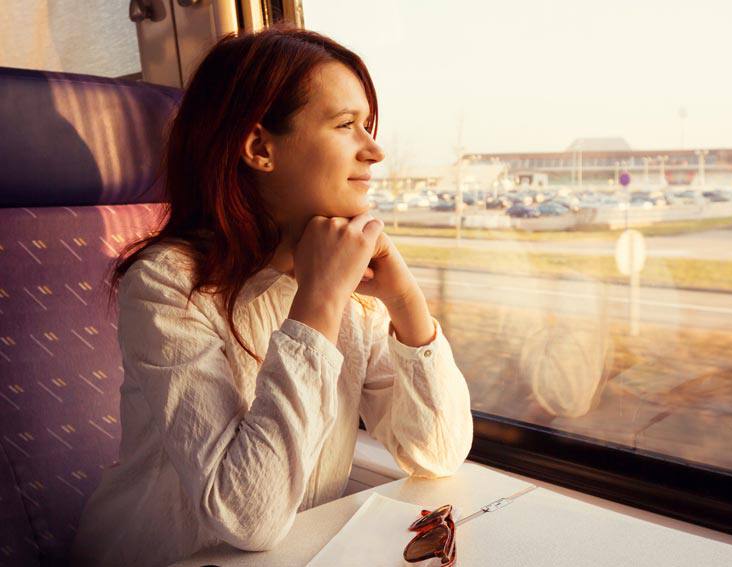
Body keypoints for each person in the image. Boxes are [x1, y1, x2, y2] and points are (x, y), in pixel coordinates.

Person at [70, 24, 473, 567]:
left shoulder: (350, 281)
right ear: (260, 147)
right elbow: (246, 517)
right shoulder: (167, 284)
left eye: (369, 126)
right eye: (347, 125)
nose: (375, 151)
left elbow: (437, 452)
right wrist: (319, 302)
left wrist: (406, 305)